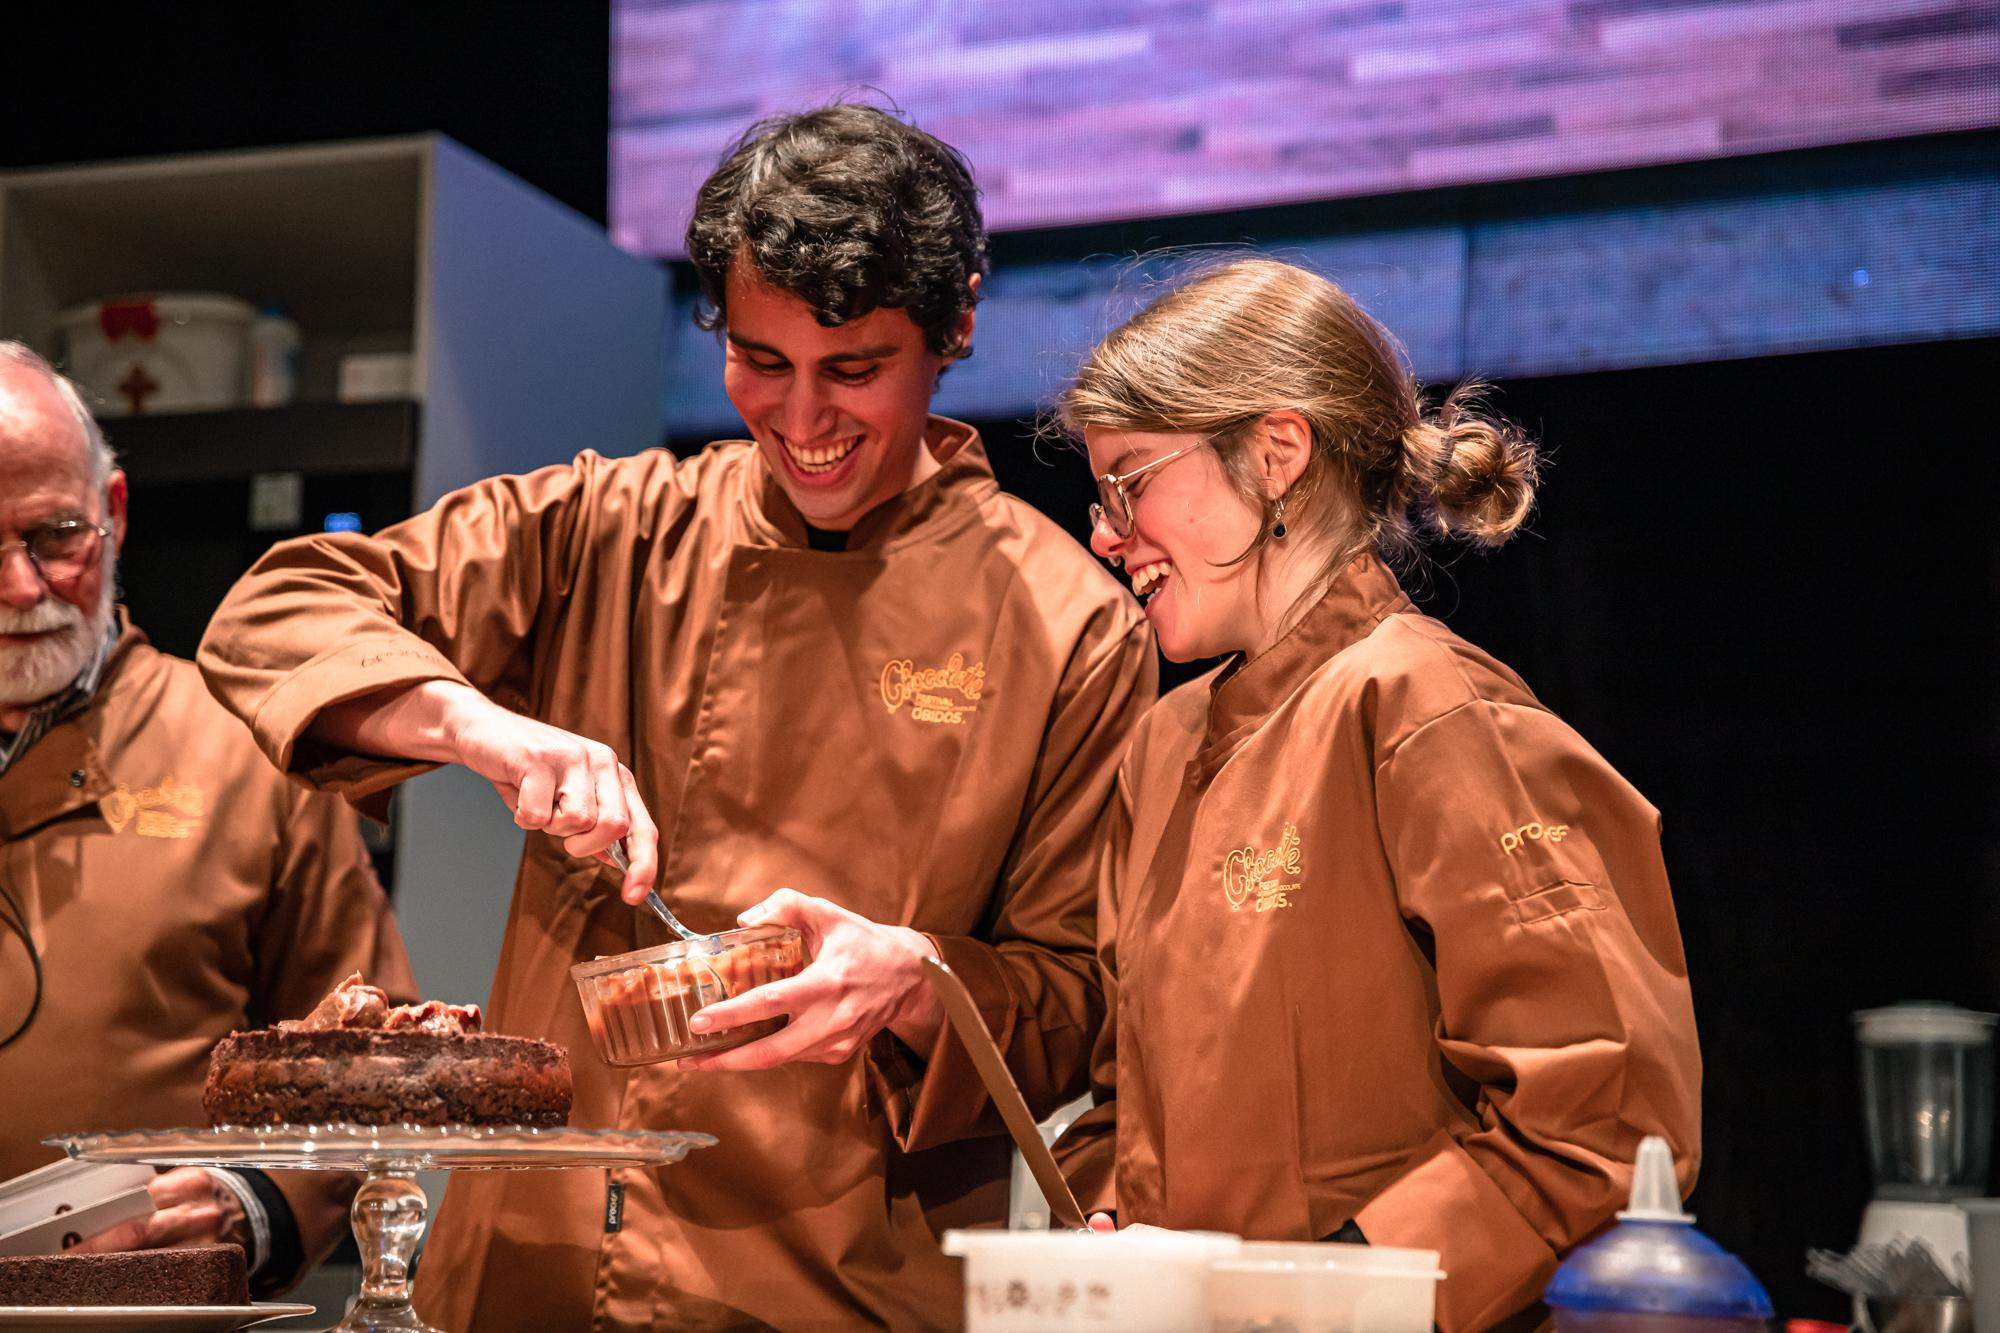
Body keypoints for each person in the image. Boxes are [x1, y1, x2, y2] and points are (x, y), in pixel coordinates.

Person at [196, 104, 1155, 1331]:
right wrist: (483, 726)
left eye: (851, 370)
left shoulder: (1068, 622)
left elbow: (1078, 1002)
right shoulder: (613, 523)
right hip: (517, 1272)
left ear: (957, 322)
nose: (801, 423)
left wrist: (914, 983)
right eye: (760, 361)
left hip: (831, 1287)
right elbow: (280, 605)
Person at [1048, 258, 1701, 1332]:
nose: (1104, 533)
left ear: (1274, 455)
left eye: (1129, 482)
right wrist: (1109, 1237)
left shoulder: (1425, 707)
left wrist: (1297, 1300)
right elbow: (1121, 1115)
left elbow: (1601, 1128)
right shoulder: (1160, 747)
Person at [0, 343, 418, 1294]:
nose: (25, 589)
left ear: (112, 512)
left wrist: (250, 1200)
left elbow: (371, 1064)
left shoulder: (248, 751)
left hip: (148, 1312)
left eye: (56, 535)